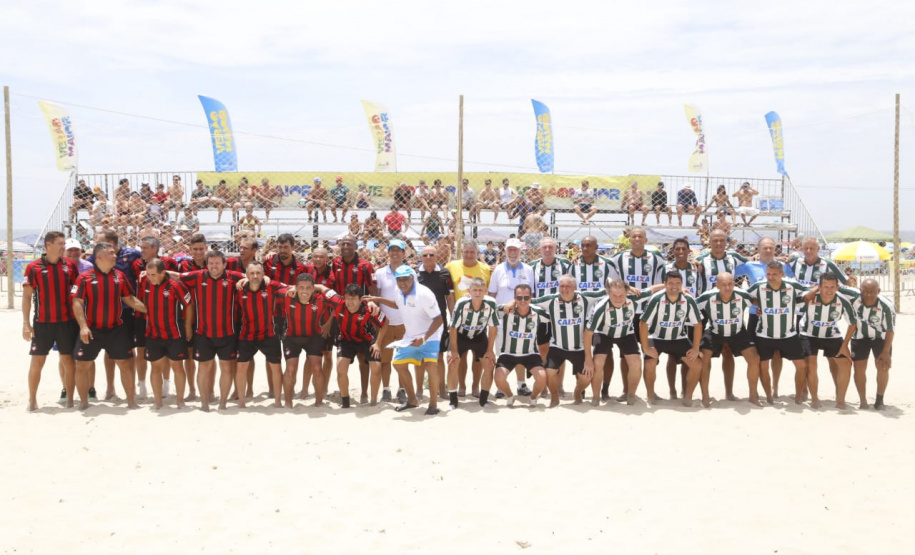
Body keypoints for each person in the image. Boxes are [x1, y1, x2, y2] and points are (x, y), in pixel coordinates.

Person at [72, 242, 147, 410]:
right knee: (82, 365)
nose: (115, 256)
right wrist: (83, 327)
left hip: (116, 329)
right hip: (92, 329)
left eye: (115, 253)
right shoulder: (84, 277)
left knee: (125, 365)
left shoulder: (120, 276)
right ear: (99, 256)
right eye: (111, 253)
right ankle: (84, 402)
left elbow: (129, 299)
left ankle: (131, 402)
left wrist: (149, 310)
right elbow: (77, 302)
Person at [179, 250, 246, 412]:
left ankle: (223, 402)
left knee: (226, 368)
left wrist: (263, 277)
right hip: (203, 334)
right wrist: (160, 272)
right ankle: (204, 403)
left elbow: (253, 276)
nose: (214, 266)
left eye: (217, 263)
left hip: (227, 333)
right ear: (206, 265)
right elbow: (176, 276)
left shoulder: (234, 277)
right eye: (211, 263)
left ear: (224, 265)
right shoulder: (198, 276)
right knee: (203, 368)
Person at [525, 275, 604, 407]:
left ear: (575, 287)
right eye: (562, 286)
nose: (564, 289)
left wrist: (627, 287)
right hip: (558, 347)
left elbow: (605, 291)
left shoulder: (584, 298)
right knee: (549, 372)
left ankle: (577, 392)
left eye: (568, 286)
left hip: (578, 347)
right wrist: (512, 302)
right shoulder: (551, 300)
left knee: (587, 376)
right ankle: (554, 397)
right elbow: (529, 301)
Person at [22, 232, 80, 410]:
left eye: (64, 243)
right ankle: (32, 400)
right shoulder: (34, 267)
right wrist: (26, 324)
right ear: (49, 245)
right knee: (37, 362)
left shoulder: (70, 266)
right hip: (43, 323)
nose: (64, 247)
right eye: (61, 244)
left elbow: (77, 294)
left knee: (68, 361)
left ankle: (70, 399)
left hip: (67, 323)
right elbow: (26, 297)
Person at [381, 266, 444, 415]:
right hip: (410, 336)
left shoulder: (424, 294)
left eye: (405, 278)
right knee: (398, 364)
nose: (402, 282)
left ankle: (433, 404)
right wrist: (378, 299)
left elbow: (439, 319)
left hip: (431, 335)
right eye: (399, 279)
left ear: (412, 278)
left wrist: (424, 338)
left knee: (431, 366)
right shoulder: (398, 290)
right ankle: (412, 400)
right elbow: (398, 304)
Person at [746, 262, 810, 406]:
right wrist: (759, 305)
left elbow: (808, 291)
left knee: (801, 366)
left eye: (774, 274)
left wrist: (802, 299)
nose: (771, 277)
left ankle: (798, 396)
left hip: (788, 334)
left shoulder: (792, 285)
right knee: (763, 366)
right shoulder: (759, 286)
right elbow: (745, 296)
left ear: (782, 274)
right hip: (764, 334)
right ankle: (769, 396)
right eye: (768, 274)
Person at [696, 272, 762, 407]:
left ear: (734, 283)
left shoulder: (742, 295)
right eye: (724, 285)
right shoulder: (707, 297)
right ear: (717, 285)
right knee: (704, 357)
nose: (727, 288)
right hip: (715, 331)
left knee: (754, 358)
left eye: (730, 284)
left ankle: (753, 396)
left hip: (737, 331)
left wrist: (761, 307)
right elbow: (691, 304)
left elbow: (757, 300)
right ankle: (705, 396)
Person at [639, 272, 703, 406]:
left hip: (678, 337)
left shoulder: (688, 300)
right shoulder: (656, 298)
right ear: (665, 284)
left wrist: (696, 348)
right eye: (671, 283)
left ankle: (688, 397)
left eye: (678, 283)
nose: (674, 286)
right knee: (650, 363)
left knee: (697, 364)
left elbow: (698, 324)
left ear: (681, 284)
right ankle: (651, 396)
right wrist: (645, 348)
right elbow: (643, 323)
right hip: (656, 337)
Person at [583, 280, 651, 405]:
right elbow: (588, 333)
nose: (618, 299)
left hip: (626, 333)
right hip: (604, 333)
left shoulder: (634, 298)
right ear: (608, 294)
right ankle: (596, 397)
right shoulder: (601, 307)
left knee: (636, 363)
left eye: (621, 295)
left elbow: (652, 289)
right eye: (614, 295)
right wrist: (588, 358)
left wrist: (679, 288)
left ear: (627, 293)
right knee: (597, 362)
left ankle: (631, 395)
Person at [138, 259, 193, 409]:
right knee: (155, 368)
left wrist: (188, 327)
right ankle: (158, 401)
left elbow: (188, 306)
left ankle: (180, 400)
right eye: (148, 274)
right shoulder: (146, 283)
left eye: (153, 274)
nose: (150, 277)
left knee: (177, 367)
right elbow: (140, 302)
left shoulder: (176, 285)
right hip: (153, 334)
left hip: (174, 334)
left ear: (163, 273)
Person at [796, 272, 856, 409]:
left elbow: (852, 323)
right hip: (809, 334)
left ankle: (840, 399)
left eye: (832, 287)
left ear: (837, 287)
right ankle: (815, 399)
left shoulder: (843, 301)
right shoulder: (810, 297)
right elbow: (788, 301)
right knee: (811, 364)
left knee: (846, 363)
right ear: (819, 287)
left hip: (831, 334)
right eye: (825, 287)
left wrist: (845, 345)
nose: (829, 290)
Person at [233, 261, 287, 409]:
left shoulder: (272, 286)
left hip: (268, 334)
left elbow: (291, 289)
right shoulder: (239, 288)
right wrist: (241, 279)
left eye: (258, 273)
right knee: (241, 367)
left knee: (276, 367)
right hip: (247, 334)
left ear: (263, 274)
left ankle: (277, 401)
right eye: (251, 273)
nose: (255, 276)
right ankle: (242, 402)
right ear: (246, 274)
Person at [488, 238, 536, 397]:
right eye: (510, 250)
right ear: (505, 251)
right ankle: (501, 386)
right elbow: (492, 295)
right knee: (502, 352)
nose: (512, 253)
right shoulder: (498, 270)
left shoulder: (529, 269)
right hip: (502, 320)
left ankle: (521, 384)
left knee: (521, 352)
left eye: (515, 250)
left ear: (520, 251)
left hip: (522, 319)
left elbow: (532, 295)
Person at [445, 240, 492, 396]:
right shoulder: (452, 266)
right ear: (462, 252)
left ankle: (475, 386)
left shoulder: (485, 269)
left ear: (477, 253)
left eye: (472, 252)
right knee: (461, 356)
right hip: (460, 321)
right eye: (466, 252)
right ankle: (462, 386)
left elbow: (489, 293)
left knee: (478, 358)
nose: (469, 255)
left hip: (479, 321)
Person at [281, 274, 335, 407]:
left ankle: (318, 402)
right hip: (292, 337)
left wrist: (322, 287)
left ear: (313, 289)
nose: (304, 291)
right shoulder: (288, 296)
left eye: (308, 288)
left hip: (313, 337)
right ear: (296, 287)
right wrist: (291, 288)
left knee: (317, 368)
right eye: (301, 287)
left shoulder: (321, 299)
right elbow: (273, 285)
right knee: (291, 369)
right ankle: (288, 403)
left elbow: (339, 300)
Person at [493, 284, 550, 406]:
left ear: (531, 298)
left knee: (542, 378)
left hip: (530, 353)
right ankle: (509, 396)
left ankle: (533, 397)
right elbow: (488, 309)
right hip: (508, 353)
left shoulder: (537, 312)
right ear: (514, 298)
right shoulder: (506, 310)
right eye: (519, 298)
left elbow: (554, 318)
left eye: (526, 297)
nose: (522, 301)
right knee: (498, 379)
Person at [330, 284, 387, 407]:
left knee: (376, 367)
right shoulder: (338, 302)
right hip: (346, 339)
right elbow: (323, 289)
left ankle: (373, 401)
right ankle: (345, 402)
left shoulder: (369, 309)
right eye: (347, 298)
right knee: (340, 369)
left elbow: (385, 322)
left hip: (367, 339)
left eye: (353, 299)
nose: (349, 302)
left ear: (360, 299)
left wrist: (378, 344)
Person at [447, 278, 498, 409]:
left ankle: (483, 399)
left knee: (489, 363)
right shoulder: (462, 303)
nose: (477, 293)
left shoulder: (491, 303)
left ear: (485, 291)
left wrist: (490, 350)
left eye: (480, 290)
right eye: (474, 290)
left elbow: (493, 328)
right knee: (453, 363)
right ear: (469, 291)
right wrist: (453, 350)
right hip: (460, 335)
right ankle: (453, 400)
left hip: (479, 336)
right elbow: (452, 327)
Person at [845, 278, 895, 410]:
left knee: (883, 366)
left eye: (872, 291)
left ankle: (879, 400)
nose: (868, 294)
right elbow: (836, 286)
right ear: (860, 290)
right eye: (865, 291)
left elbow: (890, 330)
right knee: (859, 368)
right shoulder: (854, 297)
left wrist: (885, 352)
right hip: (860, 337)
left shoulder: (886, 306)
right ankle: (862, 400)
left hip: (881, 338)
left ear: (878, 291)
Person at [371, 240, 410, 403]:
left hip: (404, 323)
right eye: (392, 250)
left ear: (403, 253)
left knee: (402, 359)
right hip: (385, 323)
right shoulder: (380, 273)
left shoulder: (410, 272)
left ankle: (402, 390)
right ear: (388, 252)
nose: (395, 253)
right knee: (385, 360)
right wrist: (377, 321)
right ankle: (386, 390)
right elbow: (376, 297)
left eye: (398, 250)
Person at [416, 245, 455, 403]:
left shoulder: (445, 273)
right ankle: (419, 390)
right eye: (425, 255)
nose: (428, 258)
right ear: (421, 257)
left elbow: (450, 298)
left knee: (439, 356)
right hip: (420, 321)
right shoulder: (415, 273)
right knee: (420, 358)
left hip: (440, 321)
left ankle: (441, 389)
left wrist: (453, 319)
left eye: (431, 254)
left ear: (437, 256)